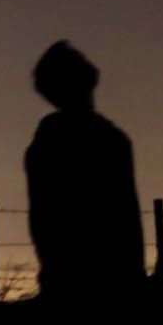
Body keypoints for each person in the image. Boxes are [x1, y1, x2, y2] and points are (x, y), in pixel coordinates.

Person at [24, 41, 145, 302]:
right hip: (112, 280)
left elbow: (43, 220)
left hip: (67, 280)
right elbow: (125, 217)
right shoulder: (112, 139)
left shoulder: (46, 143)